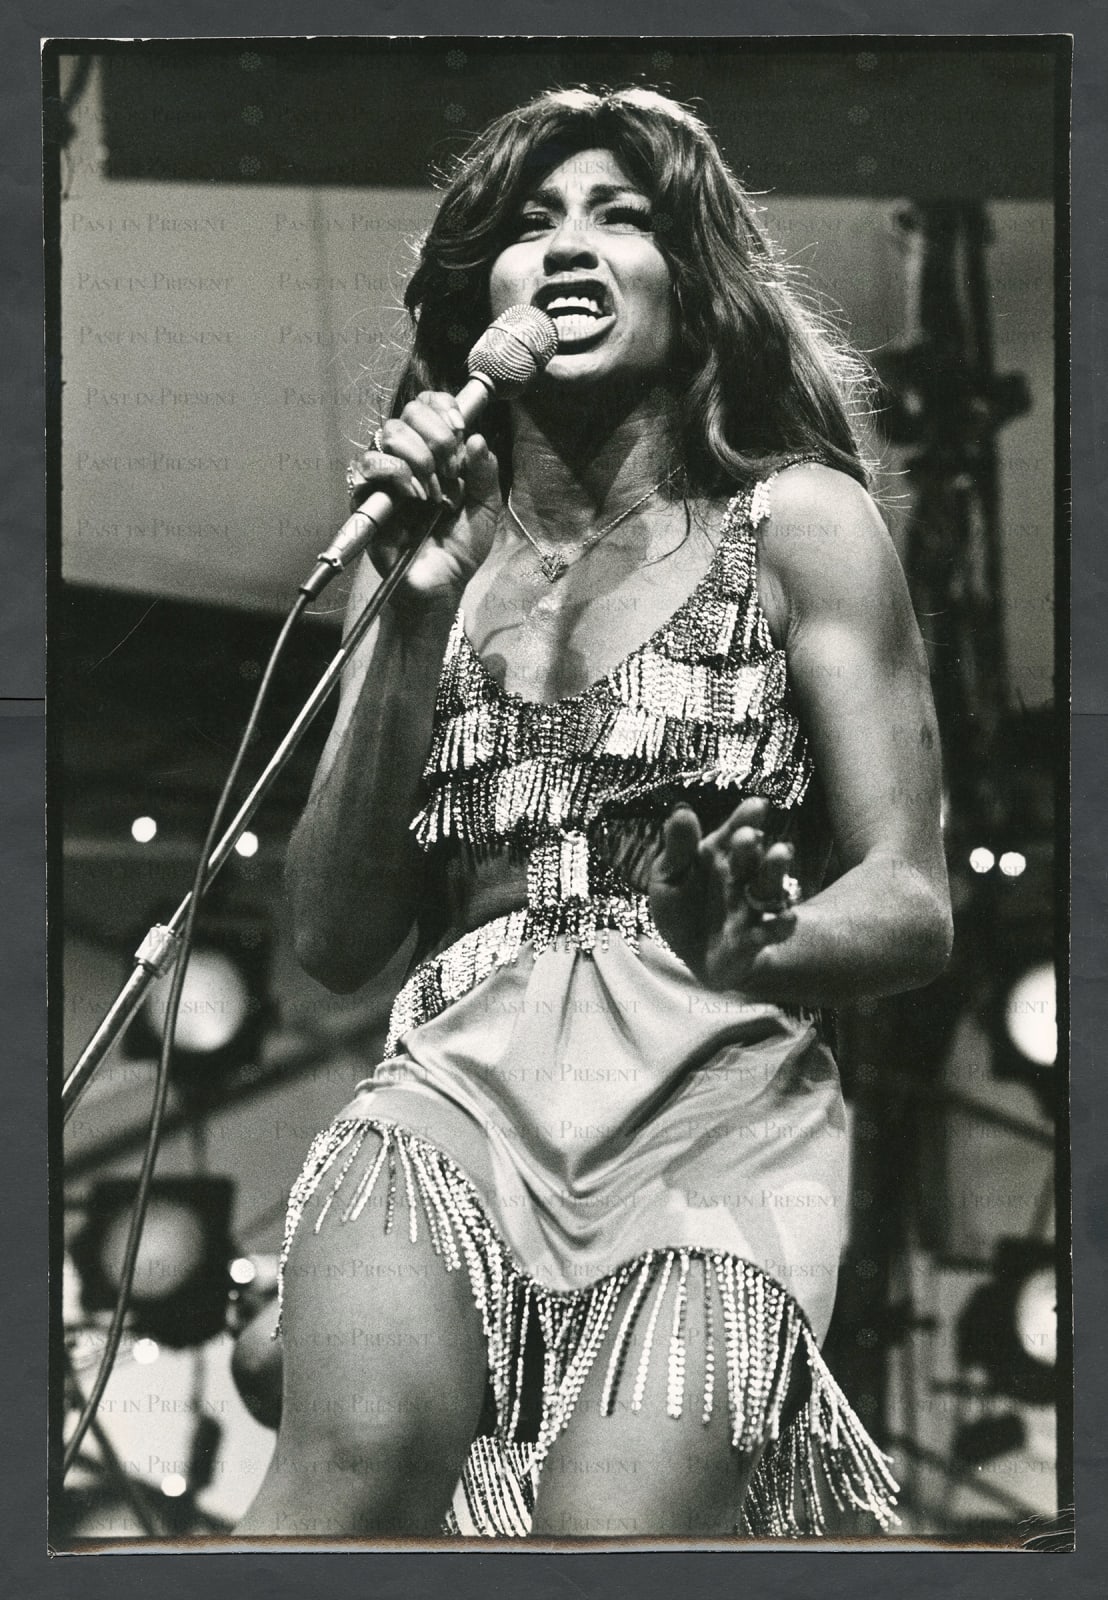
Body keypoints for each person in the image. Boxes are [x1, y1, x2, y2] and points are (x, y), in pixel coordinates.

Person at [236, 85, 952, 1540]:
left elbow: (913, 897)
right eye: (530, 223)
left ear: (694, 287)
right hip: (453, 1091)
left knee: (613, 1536)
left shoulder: (798, 524)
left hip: (720, 1092)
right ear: (479, 300)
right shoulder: (420, 561)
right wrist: (414, 612)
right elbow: (333, 935)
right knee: (350, 1471)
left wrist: (760, 944)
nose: (569, 245)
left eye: (622, 218)